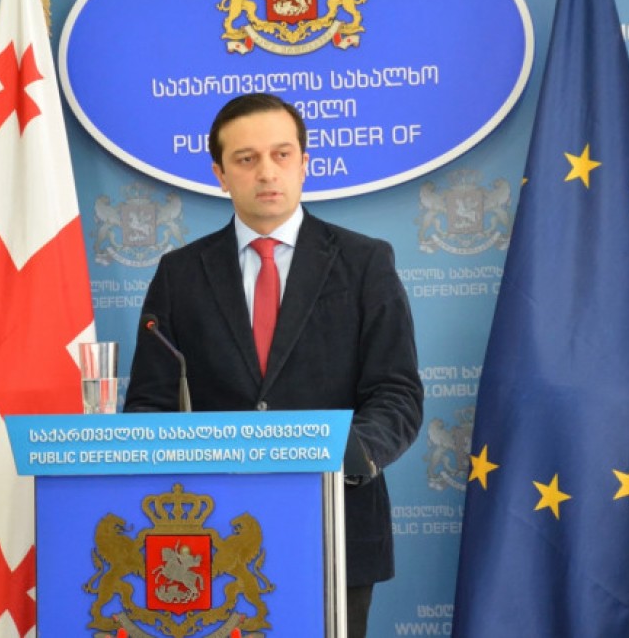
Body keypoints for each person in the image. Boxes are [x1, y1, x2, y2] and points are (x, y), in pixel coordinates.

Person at [124, 92, 424, 637]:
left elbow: (396, 393)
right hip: (212, 534)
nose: (267, 172)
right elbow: (150, 403)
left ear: (304, 163)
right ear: (220, 174)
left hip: (336, 522)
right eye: (246, 159)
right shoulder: (179, 274)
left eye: (282, 155)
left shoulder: (365, 262)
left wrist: (344, 456)